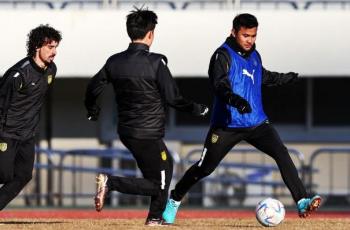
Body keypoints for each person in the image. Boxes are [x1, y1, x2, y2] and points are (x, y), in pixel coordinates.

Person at [162, 13, 321, 224]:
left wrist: (285, 79)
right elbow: (220, 85)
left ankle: (302, 200)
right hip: (227, 125)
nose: (250, 40)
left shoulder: (255, 55)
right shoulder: (222, 56)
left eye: (253, 36)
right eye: (245, 35)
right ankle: (174, 199)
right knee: (204, 168)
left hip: (256, 123)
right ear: (233, 32)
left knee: (282, 153)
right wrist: (235, 101)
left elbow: (263, 76)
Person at [84, 8, 208, 226]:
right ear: (151, 34)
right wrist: (197, 109)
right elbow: (173, 98)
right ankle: (110, 183)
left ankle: (154, 218)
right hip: (147, 133)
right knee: (159, 183)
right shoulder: (156, 62)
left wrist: (93, 111)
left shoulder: (114, 62)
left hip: (126, 131)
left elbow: (93, 87)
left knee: (165, 168)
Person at [0, 25, 61, 210]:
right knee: (3, 175)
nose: (55, 52)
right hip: (7, 133)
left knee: (24, 175)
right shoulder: (18, 74)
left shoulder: (51, 70)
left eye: (56, 47)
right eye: (50, 47)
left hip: (27, 135)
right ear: (37, 46)